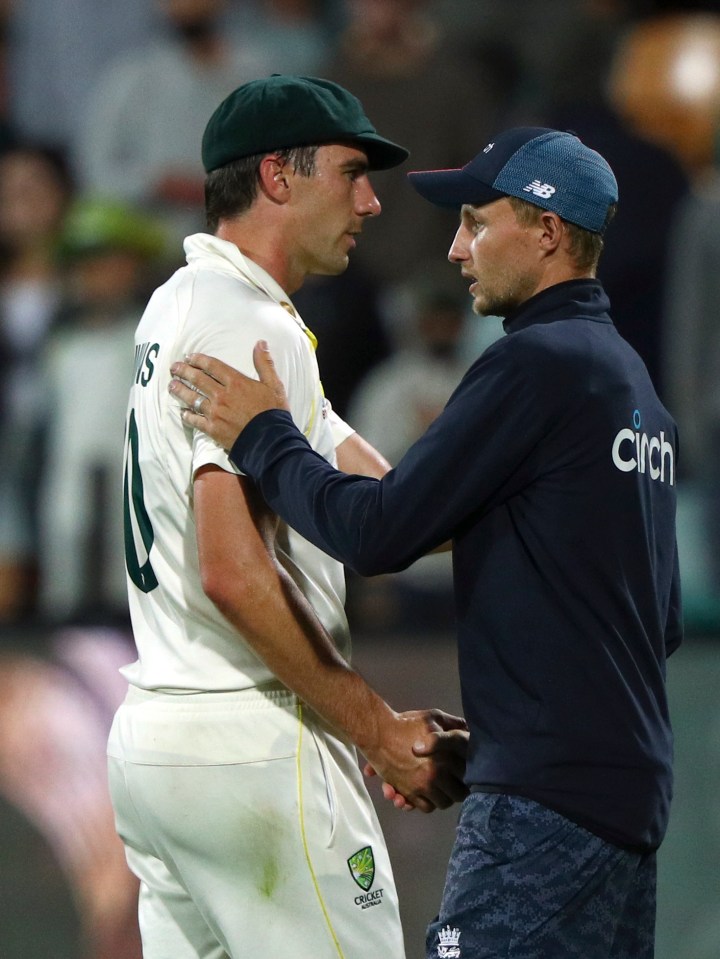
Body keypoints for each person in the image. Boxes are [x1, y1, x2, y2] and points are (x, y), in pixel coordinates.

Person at [169, 126, 683, 959]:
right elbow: (648, 625)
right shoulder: (632, 392)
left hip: (546, 808)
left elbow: (377, 532)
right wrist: (509, 738)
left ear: (547, 232)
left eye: (477, 223)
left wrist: (264, 434)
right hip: (626, 802)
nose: (454, 249)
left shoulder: (536, 365)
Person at [113, 74, 468, 959]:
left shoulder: (185, 303)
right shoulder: (242, 324)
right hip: (250, 737)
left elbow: (392, 505)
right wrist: (377, 729)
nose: (372, 200)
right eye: (351, 173)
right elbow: (232, 571)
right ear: (277, 175)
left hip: (159, 739)